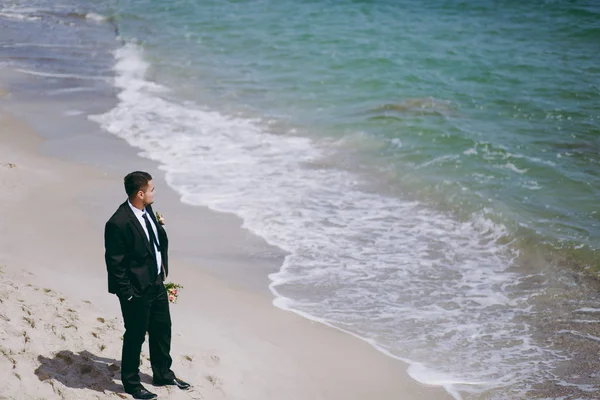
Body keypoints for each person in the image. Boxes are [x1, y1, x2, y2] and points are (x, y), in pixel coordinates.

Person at [104, 171, 190, 399]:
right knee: (135, 335)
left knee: (162, 329)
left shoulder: (147, 209)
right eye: (152, 189)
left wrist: (161, 275)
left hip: (156, 283)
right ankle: (132, 384)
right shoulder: (118, 223)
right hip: (136, 290)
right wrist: (128, 294)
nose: (154, 192)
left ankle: (162, 373)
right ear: (140, 193)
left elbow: (155, 243)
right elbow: (115, 263)